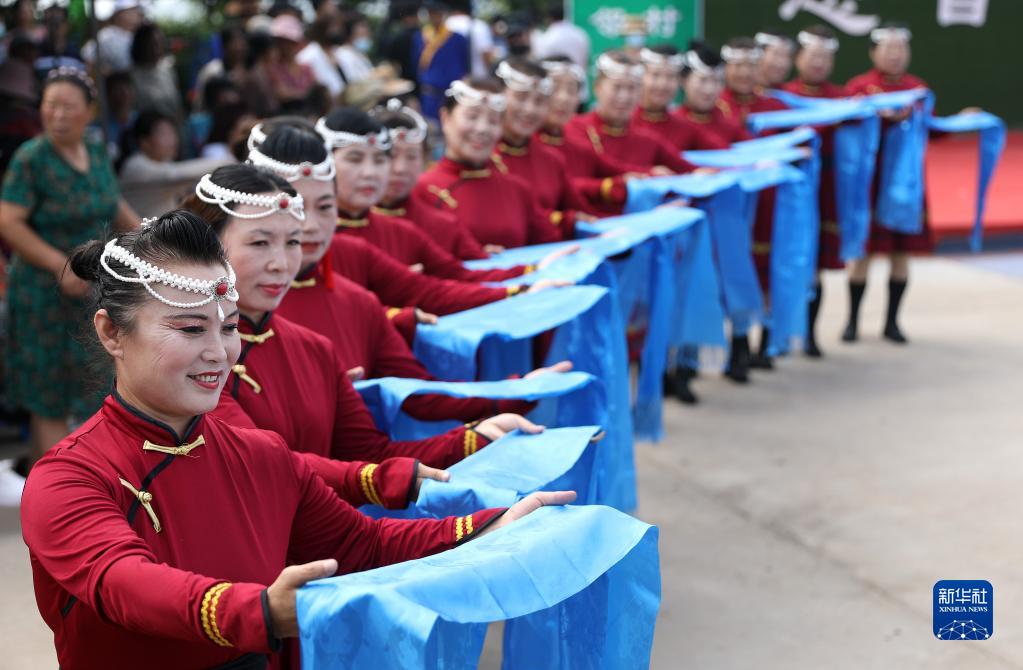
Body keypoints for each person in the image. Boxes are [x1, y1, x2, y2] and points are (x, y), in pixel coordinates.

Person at [20, 209, 574, 668]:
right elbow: (123, 582)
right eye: (190, 328)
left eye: (230, 326)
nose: (219, 352)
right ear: (112, 332)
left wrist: (487, 528)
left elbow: (365, 546)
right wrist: (257, 612)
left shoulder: (260, 454)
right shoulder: (69, 477)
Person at [253, 120, 563, 424]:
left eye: (324, 207)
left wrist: (514, 390)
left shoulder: (358, 298)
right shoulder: (226, 309)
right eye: (296, 208)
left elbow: (420, 392)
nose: (310, 226)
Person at [0, 69, 139, 466]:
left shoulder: (95, 151)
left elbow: (114, 205)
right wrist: (62, 266)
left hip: (92, 290)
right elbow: (8, 220)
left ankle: (83, 476)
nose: (57, 115)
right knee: (50, 398)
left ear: (89, 112)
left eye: (68, 107)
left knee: (95, 387)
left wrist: (152, 237)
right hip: (43, 295)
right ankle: (57, 491)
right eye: (50, 105)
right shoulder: (32, 158)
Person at [317, 107, 551, 281]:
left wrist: (533, 269)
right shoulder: (312, 234)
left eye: (411, 157)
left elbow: (467, 276)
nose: (399, 169)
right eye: (393, 156)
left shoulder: (431, 227)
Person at [843, 22, 931, 344]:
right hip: (868, 183)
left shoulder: (917, 89)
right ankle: (852, 321)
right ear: (873, 52)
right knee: (862, 254)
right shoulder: (859, 89)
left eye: (901, 49)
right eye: (888, 49)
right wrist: (874, 117)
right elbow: (844, 127)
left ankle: (892, 322)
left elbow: (933, 130)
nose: (895, 55)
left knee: (899, 254)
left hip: (904, 187)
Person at [413, 77, 566, 249]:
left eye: (493, 121)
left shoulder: (517, 190)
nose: (482, 129)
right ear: (445, 118)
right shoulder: (422, 190)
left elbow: (553, 251)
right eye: (472, 117)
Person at [780, 25, 845, 357]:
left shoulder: (843, 99)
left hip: (826, 189)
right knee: (782, 258)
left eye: (825, 57)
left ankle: (810, 333)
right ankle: (774, 335)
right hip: (787, 191)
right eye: (813, 55)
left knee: (816, 262)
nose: (818, 63)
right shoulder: (780, 97)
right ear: (798, 58)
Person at [493, 58, 591, 230]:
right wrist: (563, 220)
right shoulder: (480, 160)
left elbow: (585, 215)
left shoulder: (552, 160)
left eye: (539, 101)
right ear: (499, 97)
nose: (529, 109)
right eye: (521, 97)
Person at [565, 51, 695, 174]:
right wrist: (647, 175)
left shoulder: (648, 141)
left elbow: (693, 170)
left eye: (631, 88)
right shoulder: (574, 130)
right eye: (617, 87)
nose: (624, 97)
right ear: (597, 88)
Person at [537, 56, 633, 216]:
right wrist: (606, 187)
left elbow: (621, 171)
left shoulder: (580, 148)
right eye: (555, 88)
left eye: (571, 90)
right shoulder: (526, 149)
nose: (563, 98)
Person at [119, 110, 231, 215]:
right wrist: (228, 162)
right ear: (144, 142)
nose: (172, 139)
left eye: (172, 132)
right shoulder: (134, 165)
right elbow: (173, 175)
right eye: (164, 134)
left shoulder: (165, 163)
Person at [631, 44, 720, 151]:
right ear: (641, 77)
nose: (662, 84)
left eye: (670, 76)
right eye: (655, 75)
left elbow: (727, 155)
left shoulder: (686, 129)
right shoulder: (625, 124)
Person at [412, 0, 469, 122]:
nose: (434, 16)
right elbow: (416, 64)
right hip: (429, 94)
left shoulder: (457, 38)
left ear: (444, 14)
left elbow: (466, 66)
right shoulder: (420, 37)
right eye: (431, 13)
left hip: (452, 93)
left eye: (437, 13)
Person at [130, 23, 183, 122]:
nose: (158, 48)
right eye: (153, 44)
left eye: (160, 43)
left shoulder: (167, 70)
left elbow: (177, 106)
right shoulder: (131, 76)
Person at [266, 14, 318, 114]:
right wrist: (308, 95)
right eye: (281, 42)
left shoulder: (306, 68)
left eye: (289, 42)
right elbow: (282, 94)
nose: (285, 46)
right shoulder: (273, 68)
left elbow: (317, 91)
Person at [81, 0, 143, 73]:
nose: (136, 14)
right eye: (131, 11)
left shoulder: (140, 35)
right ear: (118, 14)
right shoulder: (106, 35)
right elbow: (88, 57)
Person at [445, 0, 495, 78]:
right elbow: (486, 54)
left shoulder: (445, 25)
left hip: (449, 79)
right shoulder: (480, 26)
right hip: (478, 80)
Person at [532, 4, 590, 71]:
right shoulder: (580, 34)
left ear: (548, 18)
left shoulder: (546, 37)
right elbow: (586, 60)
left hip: (555, 78)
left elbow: (540, 60)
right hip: (579, 76)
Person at [334, 12, 374, 84]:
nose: (366, 37)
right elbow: (355, 83)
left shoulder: (358, 53)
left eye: (367, 34)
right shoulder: (343, 55)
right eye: (362, 34)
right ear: (350, 35)